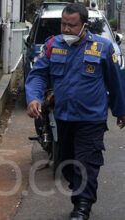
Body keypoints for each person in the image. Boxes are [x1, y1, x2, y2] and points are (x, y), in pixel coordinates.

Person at [25, 3, 125, 220]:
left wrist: (121, 111)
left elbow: (116, 82)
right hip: (63, 116)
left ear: (84, 26)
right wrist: (33, 97)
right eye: (63, 24)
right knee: (68, 162)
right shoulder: (53, 45)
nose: (66, 29)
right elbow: (38, 75)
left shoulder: (103, 48)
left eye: (72, 25)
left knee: (86, 162)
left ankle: (82, 206)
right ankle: (80, 192)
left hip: (91, 118)